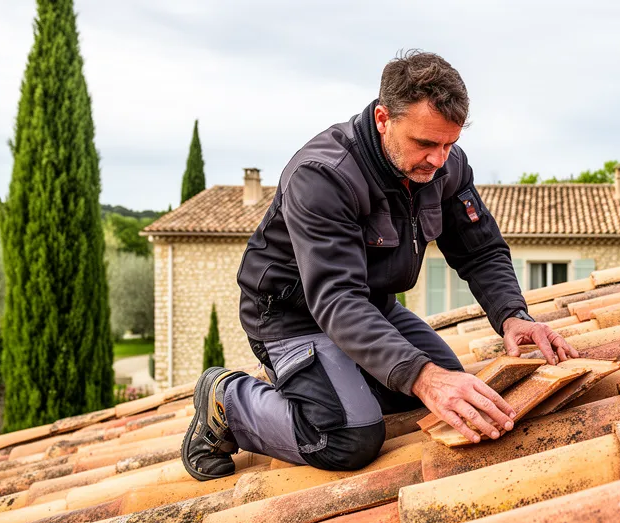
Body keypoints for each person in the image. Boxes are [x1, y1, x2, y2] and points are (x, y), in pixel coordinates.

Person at [182, 50, 577, 481]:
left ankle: (331, 382)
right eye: (425, 143)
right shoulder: (323, 175)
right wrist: (421, 375)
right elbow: (335, 298)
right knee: (349, 438)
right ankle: (228, 399)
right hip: (293, 315)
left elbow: (480, 250)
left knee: (432, 393)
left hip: (372, 305)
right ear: (384, 118)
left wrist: (512, 315)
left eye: (450, 143)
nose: (439, 159)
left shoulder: (445, 166)